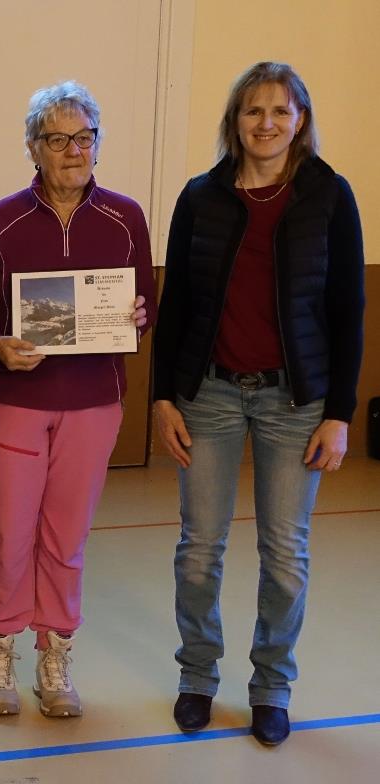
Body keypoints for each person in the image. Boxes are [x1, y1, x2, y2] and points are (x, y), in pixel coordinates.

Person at [153, 61, 364, 746]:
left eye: (280, 110)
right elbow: (176, 304)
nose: (266, 123)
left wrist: (339, 412)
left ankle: (272, 686)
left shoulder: (330, 197)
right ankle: (197, 677)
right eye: (253, 111)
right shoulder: (200, 197)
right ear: (234, 121)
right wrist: (162, 397)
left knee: (284, 555)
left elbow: (348, 310)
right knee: (198, 551)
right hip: (208, 393)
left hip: (294, 401)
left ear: (300, 119)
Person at [0, 81, 155, 719]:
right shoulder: (2, 219)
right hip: (16, 398)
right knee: (10, 533)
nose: (73, 150)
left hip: (94, 401)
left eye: (84, 137)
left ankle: (54, 650)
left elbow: (143, 307)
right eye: (57, 139)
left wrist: (136, 314)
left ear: (96, 144)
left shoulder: (125, 217)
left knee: (66, 536)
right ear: (33, 148)